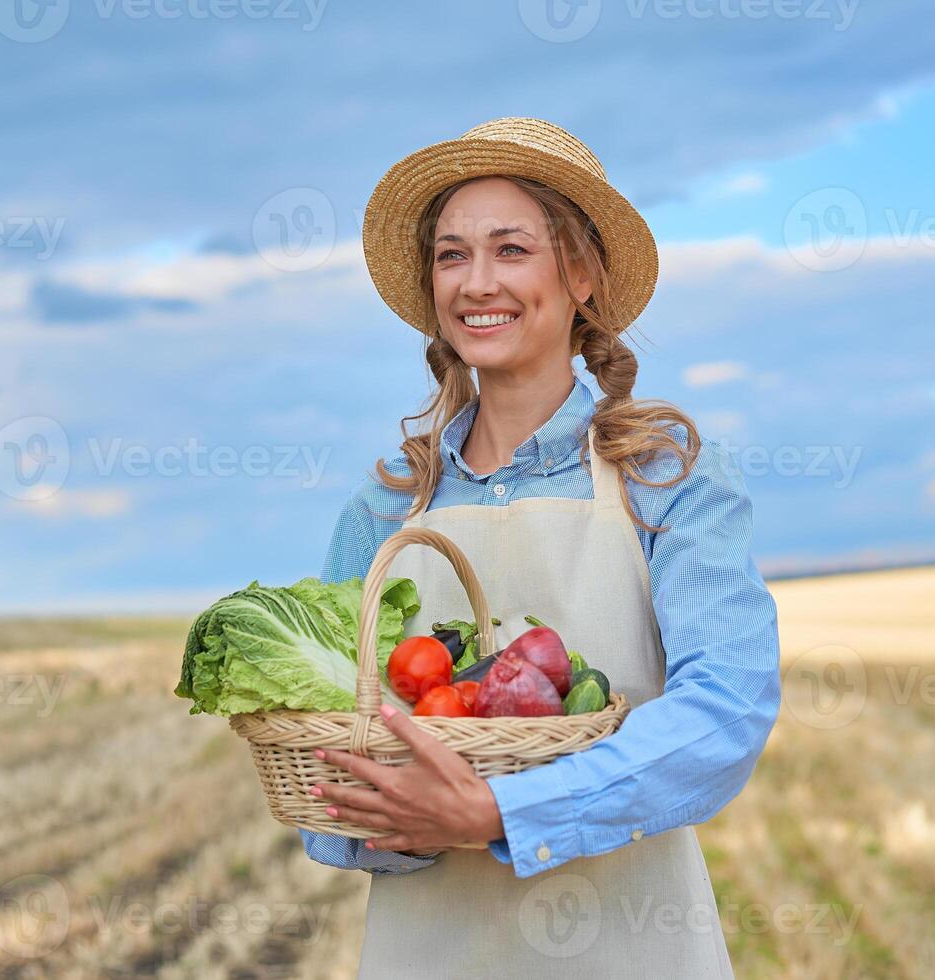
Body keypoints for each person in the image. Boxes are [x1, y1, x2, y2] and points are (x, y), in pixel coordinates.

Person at [298, 117, 781, 977]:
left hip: (633, 945)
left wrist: (501, 812)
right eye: (451, 255)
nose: (476, 283)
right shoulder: (382, 508)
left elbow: (726, 714)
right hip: (430, 948)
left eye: (512, 249)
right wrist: (391, 827)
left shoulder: (664, 481)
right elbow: (323, 747)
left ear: (583, 275)